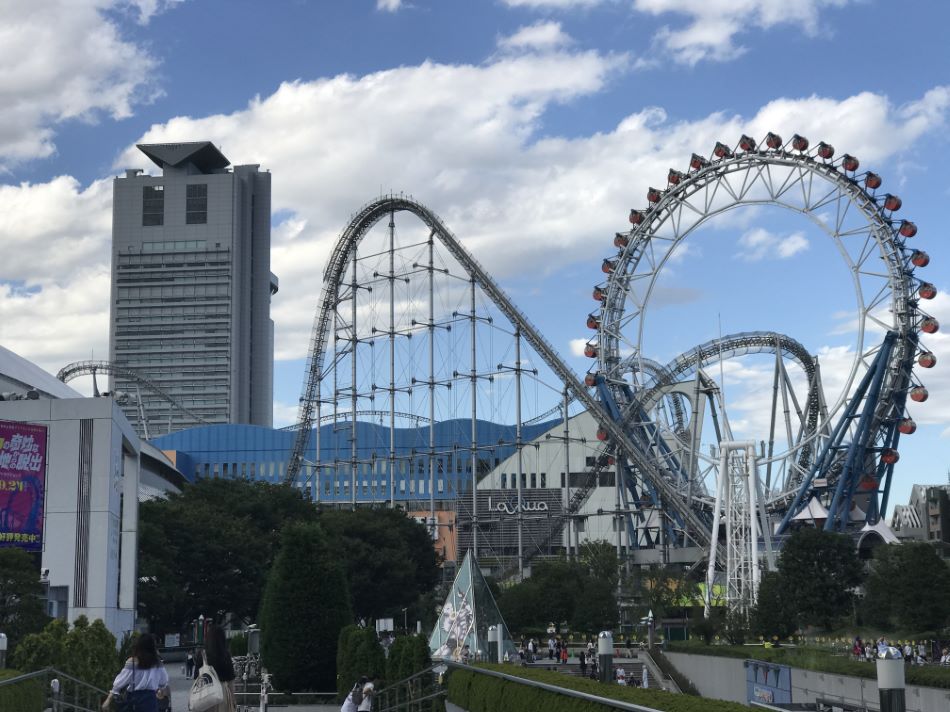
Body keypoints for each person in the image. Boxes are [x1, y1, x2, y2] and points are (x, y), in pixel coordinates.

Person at [102, 633, 170, 712]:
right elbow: (164, 682)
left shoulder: (132, 662)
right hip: (150, 702)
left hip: (134, 701)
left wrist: (108, 700)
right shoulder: (157, 663)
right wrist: (160, 691)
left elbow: (118, 684)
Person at [195, 625, 237, 711]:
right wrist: (233, 699)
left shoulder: (202, 655)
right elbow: (230, 680)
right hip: (223, 693)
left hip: (206, 693)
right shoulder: (225, 655)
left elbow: (196, 677)